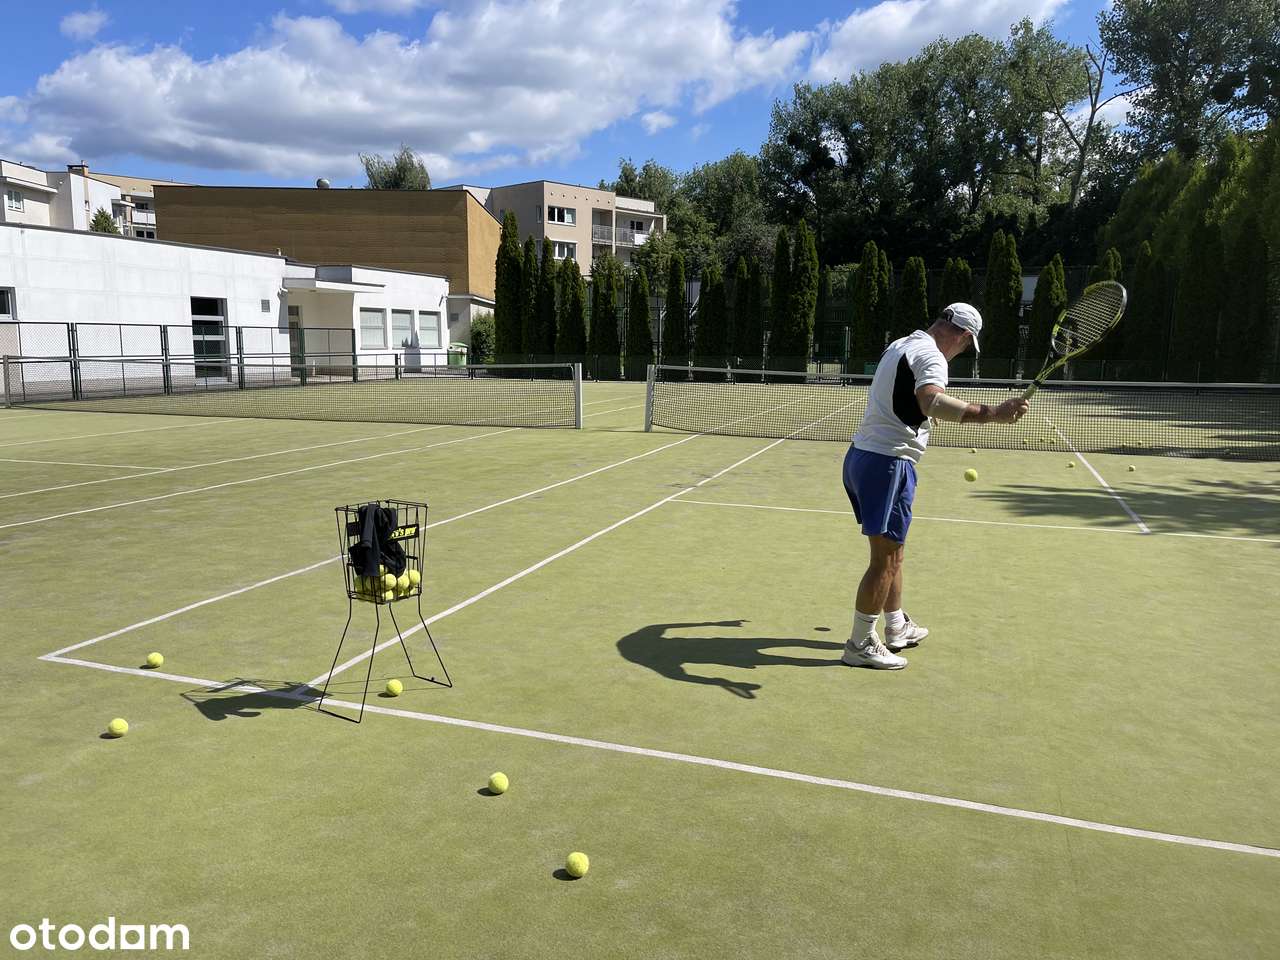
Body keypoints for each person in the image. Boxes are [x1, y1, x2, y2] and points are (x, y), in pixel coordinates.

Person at [841, 303, 1028, 669]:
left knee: (894, 553)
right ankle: (860, 643)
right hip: (887, 462)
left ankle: (895, 627)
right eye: (965, 347)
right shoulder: (933, 356)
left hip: (867, 456)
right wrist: (994, 414)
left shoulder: (902, 344)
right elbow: (930, 399)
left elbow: (906, 398)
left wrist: (919, 419)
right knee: (882, 561)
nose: (959, 353)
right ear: (963, 335)